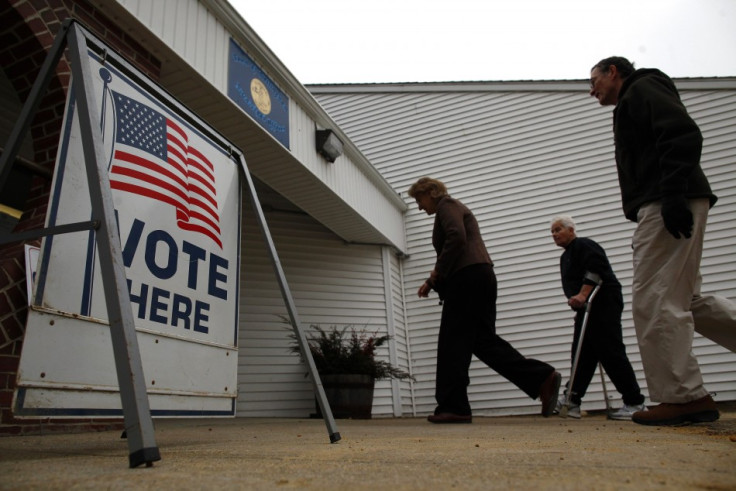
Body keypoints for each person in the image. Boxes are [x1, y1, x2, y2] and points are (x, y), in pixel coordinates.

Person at [589, 56, 736, 426]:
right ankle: (684, 395)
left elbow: (682, 133)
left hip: (666, 200)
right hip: (671, 197)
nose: (592, 90)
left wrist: (671, 194)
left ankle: (683, 397)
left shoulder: (641, 88)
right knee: (687, 300)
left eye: (594, 81)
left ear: (612, 71)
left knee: (654, 298)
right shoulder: (638, 96)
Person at [408, 176, 561, 423]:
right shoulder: (453, 207)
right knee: (482, 341)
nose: (418, 205)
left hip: (467, 280)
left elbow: (456, 237)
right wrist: (432, 282)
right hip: (480, 277)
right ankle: (541, 377)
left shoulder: (447, 205)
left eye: (419, 198)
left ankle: (454, 406)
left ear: (432, 192)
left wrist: (437, 273)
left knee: (452, 343)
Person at [549, 215, 646, 420]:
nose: (554, 234)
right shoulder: (566, 255)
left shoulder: (584, 245)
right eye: (552, 232)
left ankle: (634, 402)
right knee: (582, 353)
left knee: (610, 350)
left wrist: (583, 294)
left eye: (558, 229)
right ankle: (572, 400)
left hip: (602, 303)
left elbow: (596, 268)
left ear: (571, 230)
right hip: (586, 308)